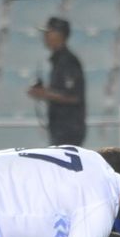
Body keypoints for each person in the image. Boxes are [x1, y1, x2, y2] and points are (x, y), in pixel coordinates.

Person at [27, 17, 86, 146]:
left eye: (49, 32)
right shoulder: (59, 60)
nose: (45, 37)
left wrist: (44, 93)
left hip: (68, 128)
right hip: (61, 127)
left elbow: (73, 96)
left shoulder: (68, 61)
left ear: (59, 35)